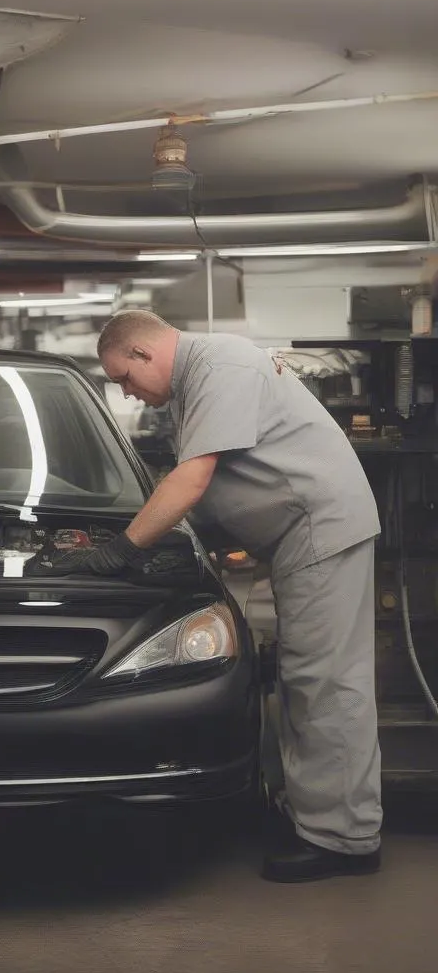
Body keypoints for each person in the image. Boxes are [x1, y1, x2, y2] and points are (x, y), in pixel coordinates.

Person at [34, 310, 383, 883]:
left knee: (326, 681)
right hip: (301, 536)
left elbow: (192, 479)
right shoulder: (200, 378)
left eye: (124, 378)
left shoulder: (222, 365)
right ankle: (314, 813)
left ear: (144, 353)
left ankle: (345, 839)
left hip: (319, 533)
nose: (128, 392)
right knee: (304, 680)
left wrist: (122, 550)